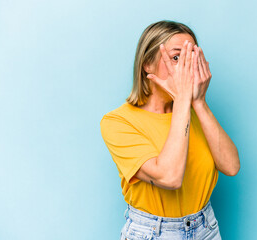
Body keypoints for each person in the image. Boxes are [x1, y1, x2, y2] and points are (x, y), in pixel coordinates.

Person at [100, 20, 240, 240]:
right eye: (176, 58)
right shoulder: (118, 122)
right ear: (147, 63)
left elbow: (231, 167)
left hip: (206, 228)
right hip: (154, 233)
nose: (186, 68)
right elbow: (170, 178)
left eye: (191, 58)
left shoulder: (194, 111)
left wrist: (200, 103)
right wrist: (184, 101)